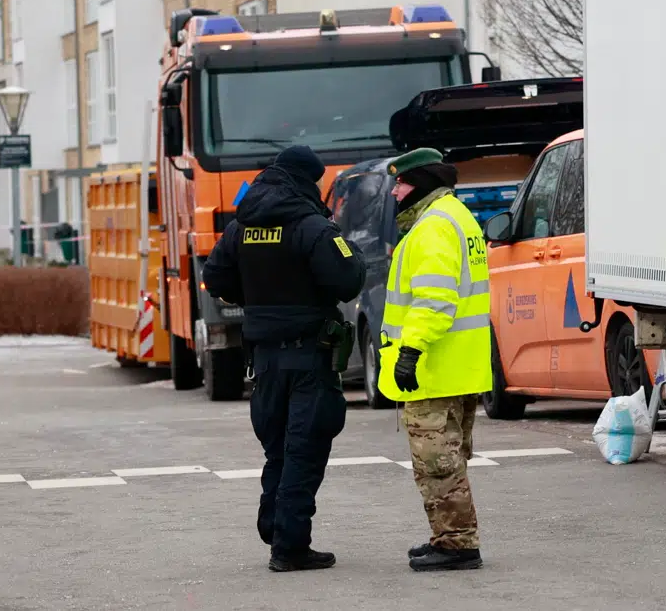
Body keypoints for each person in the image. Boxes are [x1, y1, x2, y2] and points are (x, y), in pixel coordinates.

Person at [201, 145, 366, 573]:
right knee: (304, 450)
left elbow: (214, 276)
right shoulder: (312, 227)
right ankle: (290, 546)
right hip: (310, 357)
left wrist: (253, 300)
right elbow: (347, 281)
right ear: (307, 182)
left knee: (279, 450)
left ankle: (275, 524)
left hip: (265, 361)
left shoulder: (242, 226)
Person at [375, 147, 493, 572]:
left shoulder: (433, 228)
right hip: (458, 366)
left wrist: (411, 350)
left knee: (437, 463)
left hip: (434, 367)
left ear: (421, 183)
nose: (394, 192)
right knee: (449, 460)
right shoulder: (457, 218)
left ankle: (458, 545)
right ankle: (449, 537)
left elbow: (435, 299)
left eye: (401, 183)